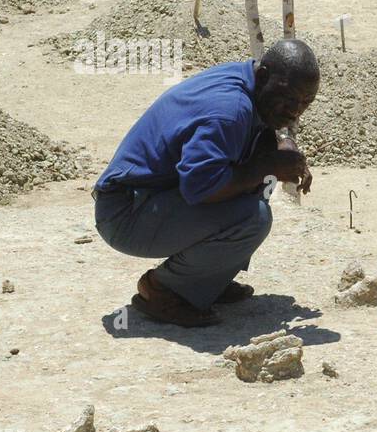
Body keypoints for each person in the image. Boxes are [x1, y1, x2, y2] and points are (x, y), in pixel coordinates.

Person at [93, 39, 319, 327]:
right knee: (253, 216)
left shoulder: (246, 82)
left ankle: (203, 280)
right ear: (264, 77)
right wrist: (269, 166)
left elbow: (257, 139)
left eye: (305, 103)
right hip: (126, 216)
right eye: (288, 100)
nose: (295, 111)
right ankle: (163, 290)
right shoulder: (229, 110)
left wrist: (283, 148)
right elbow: (201, 187)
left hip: (149, 198)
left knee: (261, 168)